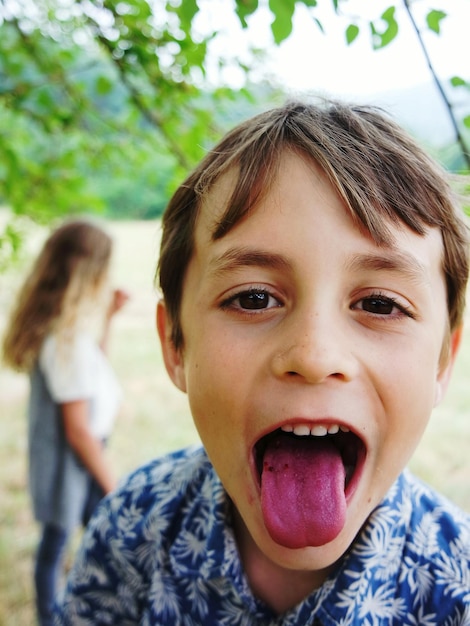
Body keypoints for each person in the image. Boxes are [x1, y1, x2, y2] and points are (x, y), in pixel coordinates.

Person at [54, 101, 470, 624]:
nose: (314, 357)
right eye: (252, 298)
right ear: (176, 345)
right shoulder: (132, 525)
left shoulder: (457, 590)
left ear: (441, 362)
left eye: (380, 304)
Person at [2, 218, 129, 626]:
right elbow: (78, 430)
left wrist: (109, 319)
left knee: (98, 535)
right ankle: (49, 618)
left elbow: (94, 376)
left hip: (83, 455)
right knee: (55, 546)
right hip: (73, 462)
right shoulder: (64, 343)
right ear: (86, 272)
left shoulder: (68, 335)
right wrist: (116, 486)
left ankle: (93, 607)